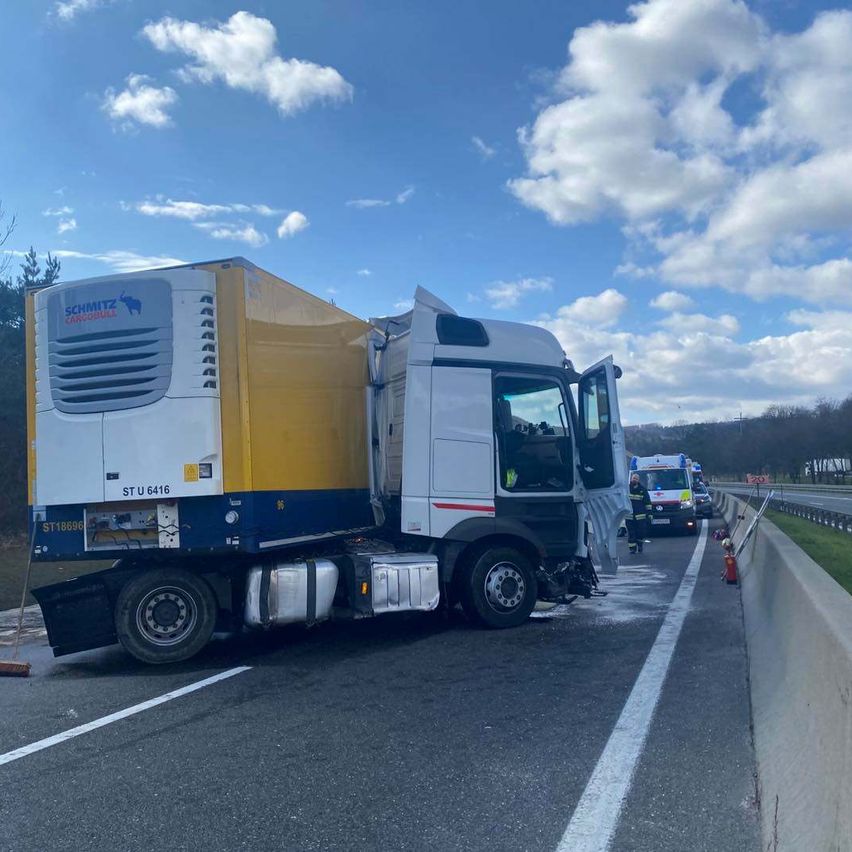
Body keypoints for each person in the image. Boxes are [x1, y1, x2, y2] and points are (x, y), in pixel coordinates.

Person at [627, 473, 652, 555]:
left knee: (640, 532)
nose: (634, 480)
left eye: (636, 479)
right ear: (631, 479)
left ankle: (640, 545)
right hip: (629, 516)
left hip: (640, 516)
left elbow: (647, 503)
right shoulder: (626, 489)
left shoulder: (643, 490)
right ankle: (632, 549)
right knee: (631, 533)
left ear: (638, 480)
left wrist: (649, 514)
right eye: (633, 478)